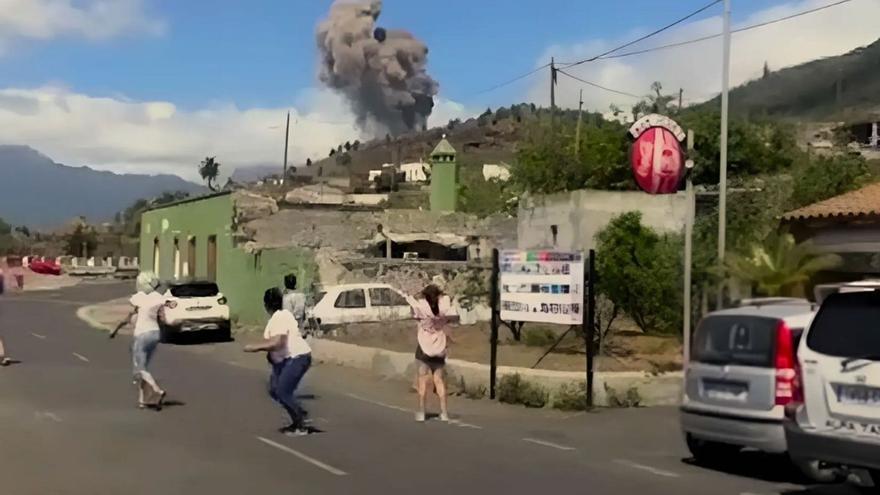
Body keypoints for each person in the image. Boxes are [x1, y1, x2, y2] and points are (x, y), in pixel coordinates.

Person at [245, 287, 312, 436]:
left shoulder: (279, 318)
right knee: (275, 389)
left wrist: (254, 347)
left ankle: (300, 424)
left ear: (266, 305)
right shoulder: (283, 316)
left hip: (298, 357)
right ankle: (297, 415)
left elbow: (278, 343)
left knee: (283, 392)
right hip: (289, 359)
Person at [110, 271, 167, 409]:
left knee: (139, 368)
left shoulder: (139, 299)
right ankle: (142, 400)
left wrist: (115, 331)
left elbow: (127, 318)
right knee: (144, 368)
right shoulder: (158, 299)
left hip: (141, 335)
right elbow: (163, 319)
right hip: (155, 334)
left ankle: (157, 390)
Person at [408, 284, 456, 422]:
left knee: (422, 380)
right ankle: (444, 412)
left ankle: (422, 412)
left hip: (424, 348)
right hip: (439, 347)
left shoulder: (422, 308)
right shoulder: (443, 310)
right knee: (439, 380)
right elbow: (452, 317)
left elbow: (414, 313)